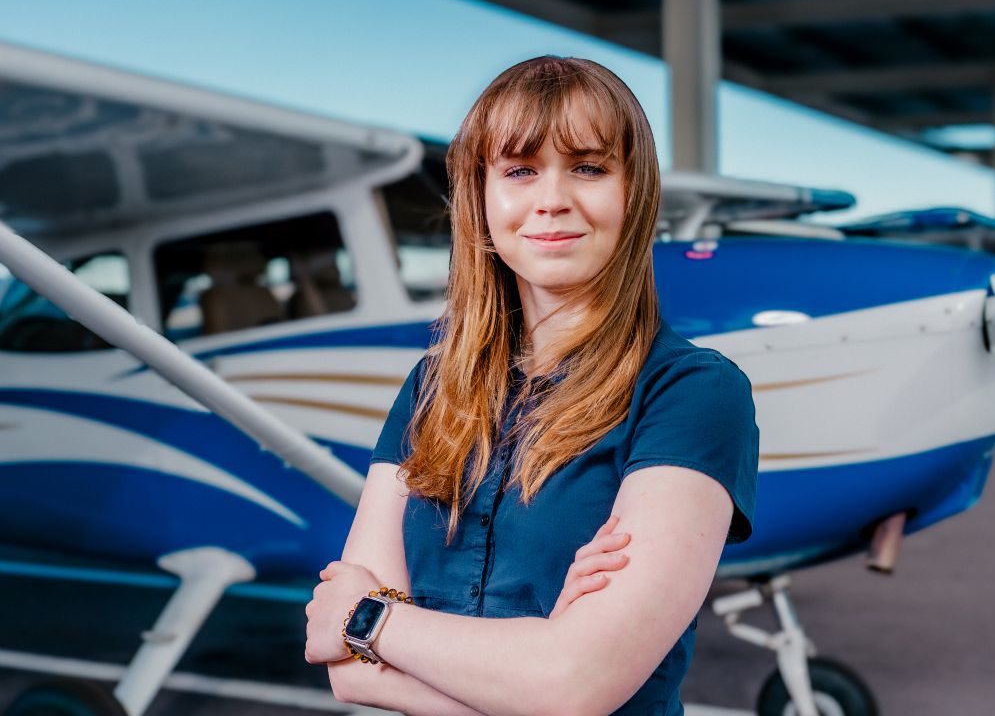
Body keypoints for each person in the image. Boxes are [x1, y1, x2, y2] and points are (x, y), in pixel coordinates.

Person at [304, 55, 759, 715]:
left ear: (635, 193)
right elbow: (349, 678)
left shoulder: (694, 394)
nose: (552, 198)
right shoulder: (431, 385)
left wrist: (371, 621)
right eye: (519, 170)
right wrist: (542, 657)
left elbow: (571, 685)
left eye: (589, 167)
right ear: (480, 199)